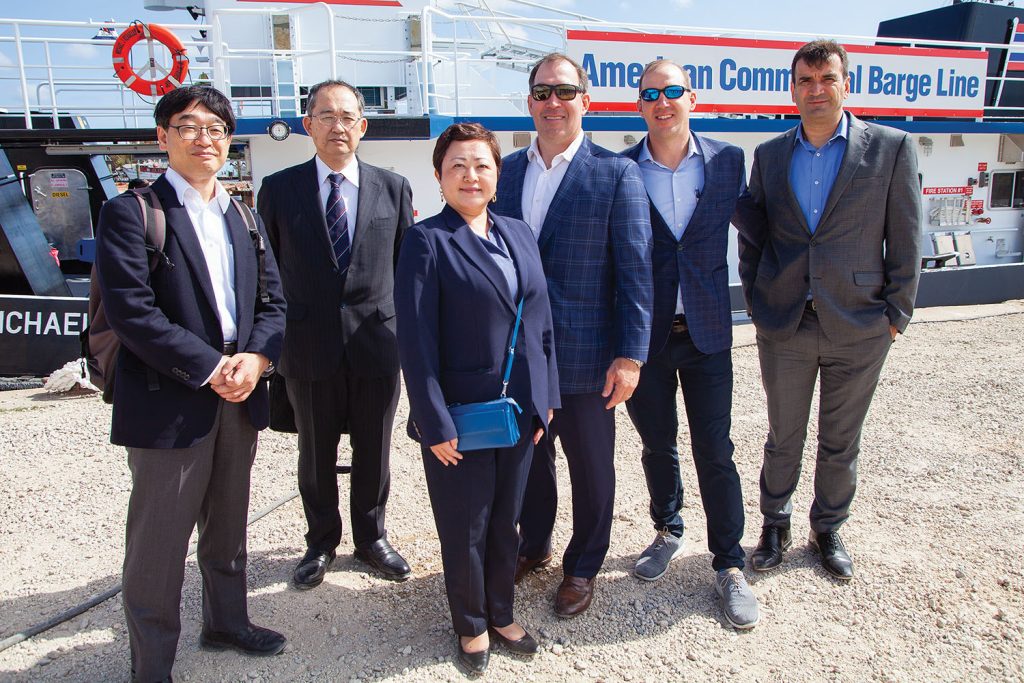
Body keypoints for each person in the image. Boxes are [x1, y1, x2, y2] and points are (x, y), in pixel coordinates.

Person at [94, 85, 287, 682]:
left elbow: (273, 302)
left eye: (216, 129)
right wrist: (211, 368)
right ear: (163, 137)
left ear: (228, 141)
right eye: (188, 126)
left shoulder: (241, 213)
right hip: (169, 398)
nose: (204, 138)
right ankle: (151, 665)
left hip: (240, 391)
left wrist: (255, 361)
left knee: (228, 523)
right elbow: (132, 312)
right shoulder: (133, 213)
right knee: (159, 543)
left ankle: (226, 622)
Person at [733, 40, 922, 580]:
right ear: (793, 89)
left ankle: (829, 526)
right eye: (806, 80)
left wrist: (896, 315)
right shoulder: (769, 156)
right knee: (782, 435)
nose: (816, 90)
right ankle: (775, 524)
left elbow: (907, 238)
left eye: (827, 79)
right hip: (786, 323)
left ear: (845, 84)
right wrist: (759, 299)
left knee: (842, 438)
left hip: (860, 323)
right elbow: (754, 239)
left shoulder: (890, 148)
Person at [395, 123, 558, 674]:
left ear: (497, 174)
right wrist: (432, 420)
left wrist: (546, 397)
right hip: (459, 415)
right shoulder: (426, 240)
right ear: (440, 178)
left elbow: (540, 323)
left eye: (482, 165)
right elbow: (415, 341)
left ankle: (501, 610)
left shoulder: (518, 232)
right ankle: (470, 624)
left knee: (506, 518)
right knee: (466, 523)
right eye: (458, 166)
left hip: (519, 413)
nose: (471, 175)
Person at [493, 53, 653, 618]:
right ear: (529, 102)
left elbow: (636, 271)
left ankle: (583, 566)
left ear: (586, 100)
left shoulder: (616, 175)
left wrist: (631, 354)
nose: (552, 103)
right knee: (527, 461)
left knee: (592, 468)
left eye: (564, 92)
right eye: (542, 93)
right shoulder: (504, 172)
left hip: (588, 354)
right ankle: (532, 546)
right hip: (518, 357)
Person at [257, 80, 414, 588]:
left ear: (363, 127)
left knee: (375, 447)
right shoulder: (279, 190)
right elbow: (269, 273)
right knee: (316, 452)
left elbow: (404, 267)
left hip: (376, 342)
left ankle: (371, 538)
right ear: (308, 125)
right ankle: (320, 540)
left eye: (348, 116)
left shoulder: (393, 187)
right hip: (306, 345)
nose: (337, 126)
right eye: (325, 116)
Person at [621, 60, 758, 629]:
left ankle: (729, 562)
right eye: (651, 94)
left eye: (672, 91)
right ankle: (668, 528)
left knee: (715, 450)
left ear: (691, 98)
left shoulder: (727, 161)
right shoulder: (621, 170)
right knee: (657, 444)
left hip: (706, 333)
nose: (662, 102)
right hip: (644, 337)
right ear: (640, 105)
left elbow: (759, 230)